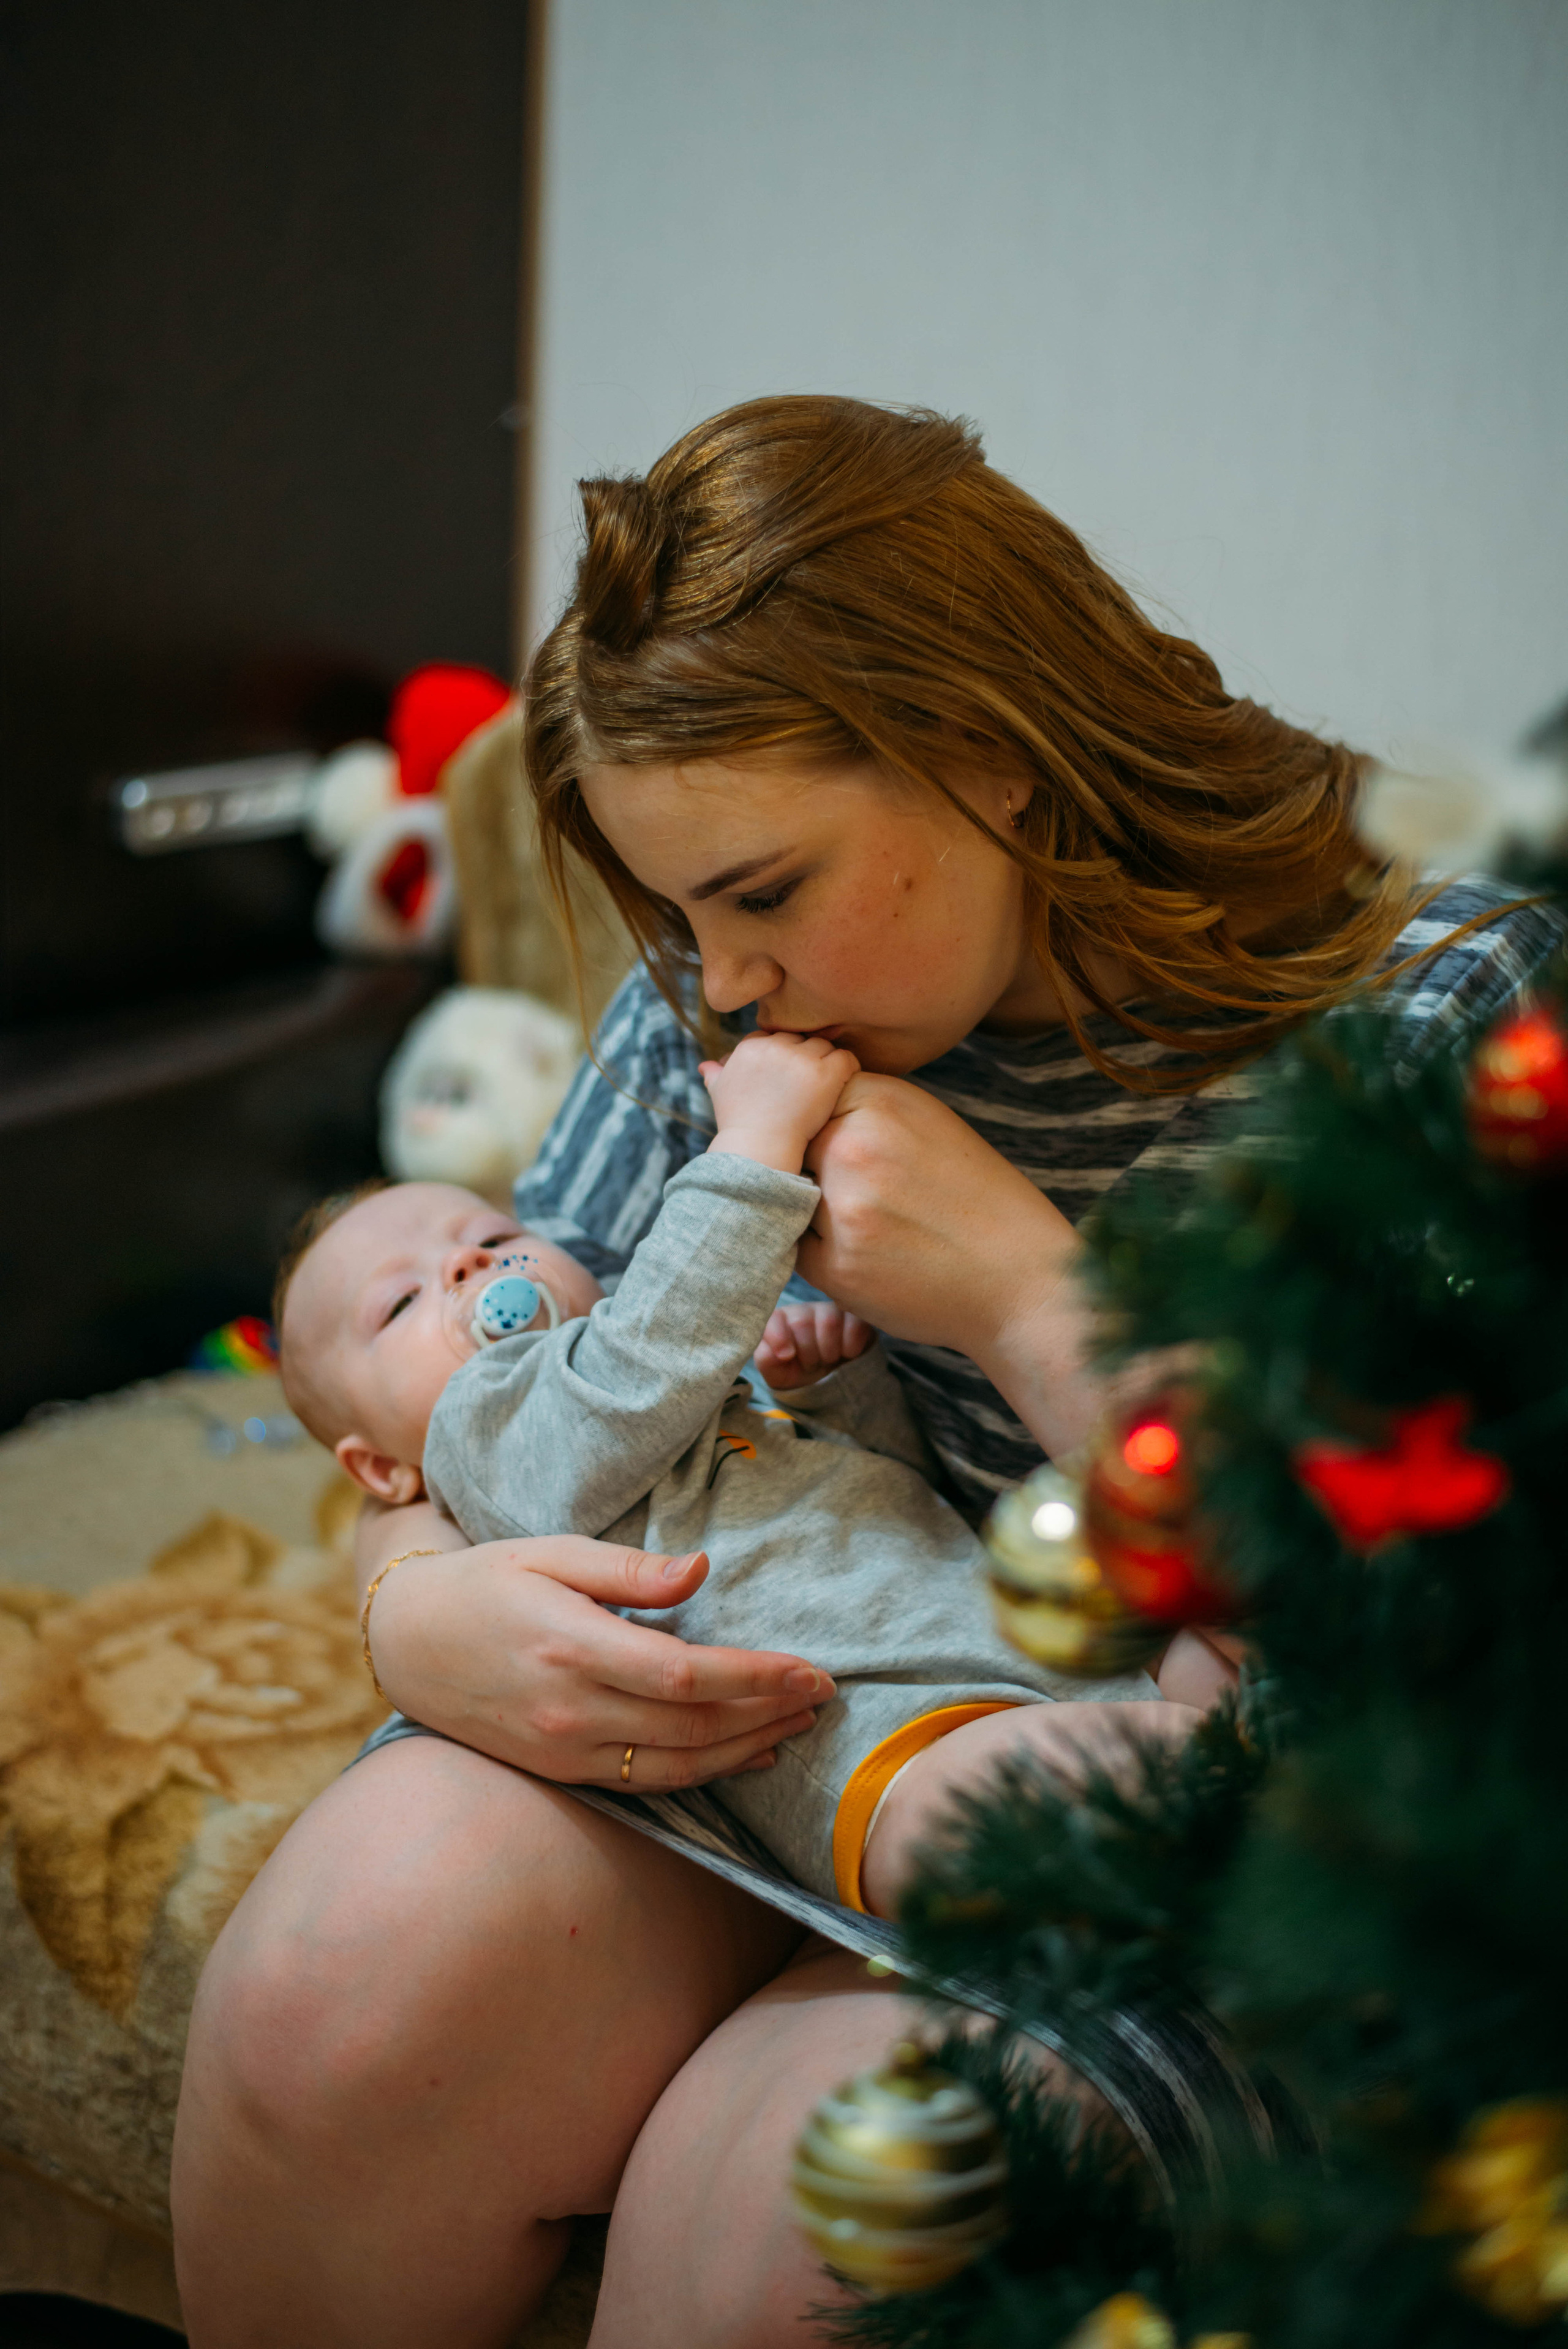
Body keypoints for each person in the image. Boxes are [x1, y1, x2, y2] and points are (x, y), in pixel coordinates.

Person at [171, 397, 1559, 2349]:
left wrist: (1024, 1298)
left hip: (1210, 1798)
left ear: (996, 769)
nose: (715, 980)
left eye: (760, 893)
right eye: (677, 915)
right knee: (332, 1991)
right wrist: (413, 1611)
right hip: (783, 1707)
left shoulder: (1446, 1013)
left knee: (789, 2209)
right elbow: (470, 1385)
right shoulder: (735, 993)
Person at [273, 1031, 1178, 1913]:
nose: (468, 1264)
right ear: (382, 1470)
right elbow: (640, 1367)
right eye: (399, 1300)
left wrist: (833, 1394)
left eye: (492, 1231)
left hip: (998, 1631)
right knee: (1001, 1814)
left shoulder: (688, 1377)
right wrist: (752, 1150)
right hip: (882, 1736)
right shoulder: (489, 1441)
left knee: (1209, 1648)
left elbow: (895, 1491)